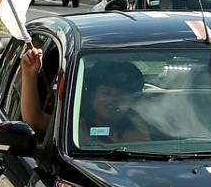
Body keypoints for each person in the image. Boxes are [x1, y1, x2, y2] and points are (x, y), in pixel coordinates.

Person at [20, 47, 150, 143]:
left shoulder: (139, 130)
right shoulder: (73, 125)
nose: (112, 100)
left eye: (121, 96)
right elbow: (34, 120)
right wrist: (29, 74)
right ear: (92, 96)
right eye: (106, 93)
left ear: (132, 101)